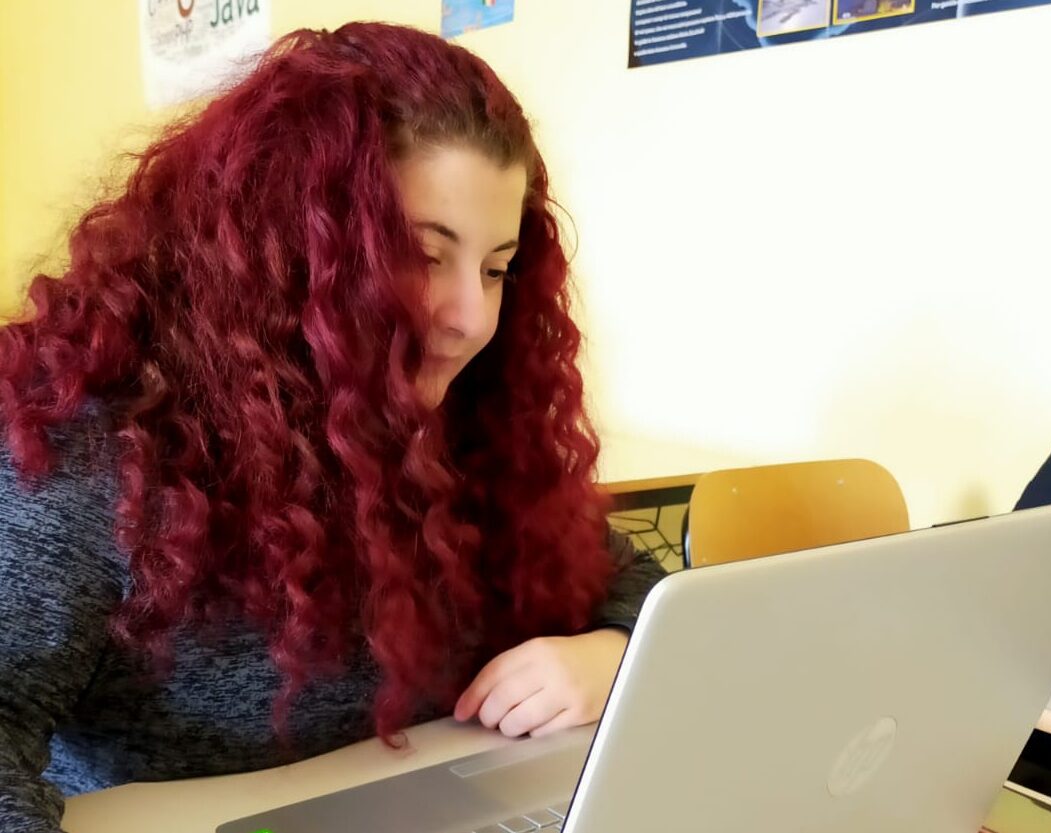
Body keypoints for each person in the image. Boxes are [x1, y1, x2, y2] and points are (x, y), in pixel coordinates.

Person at [0, 21, 665, 833]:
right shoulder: (90, 444)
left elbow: (641, 586)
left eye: (497, 268)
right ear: (287, 252)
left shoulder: (471, 424)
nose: (473, 317)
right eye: (423, 255)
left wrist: (612, 652)